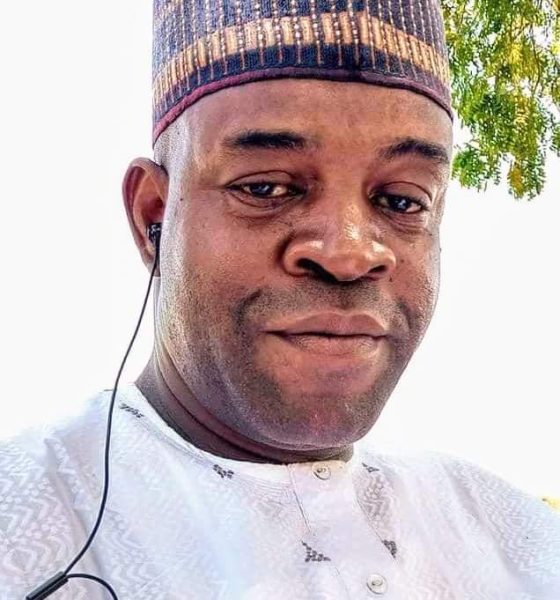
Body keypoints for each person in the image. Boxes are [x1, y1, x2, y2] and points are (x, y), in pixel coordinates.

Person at [1, 0, 559, 598]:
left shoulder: (523, 544)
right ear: (153, 218)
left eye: (402, 201)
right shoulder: (22, 522)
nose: (349, 254)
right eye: (266, 187)